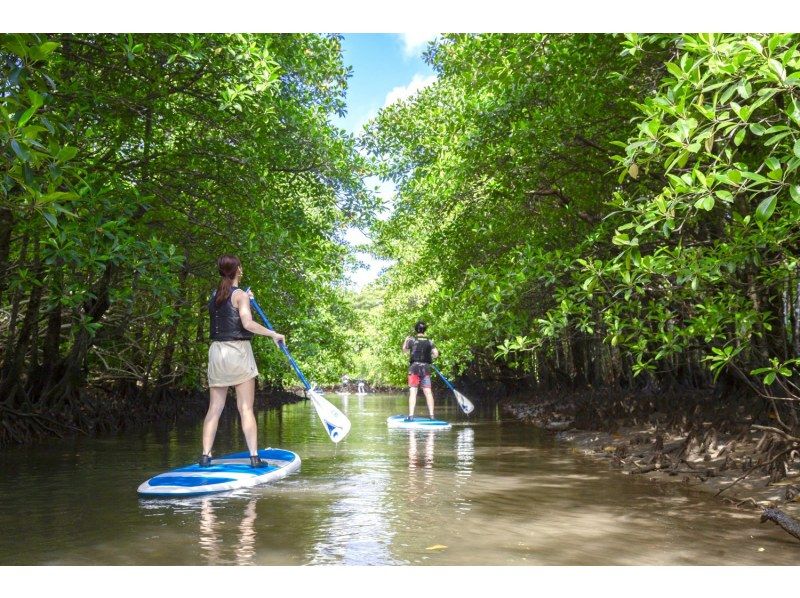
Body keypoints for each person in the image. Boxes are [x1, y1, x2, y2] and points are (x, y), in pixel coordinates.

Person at [201, 254, 285, 468]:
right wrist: (273, 333)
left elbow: (230, 303)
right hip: (238, 352)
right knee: (245, 408)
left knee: (214, 408)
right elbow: (247, 324)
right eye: (240, 266)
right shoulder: (240, 296)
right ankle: (255, 458)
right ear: (238, 269)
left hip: (216, 353)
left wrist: (245, 296)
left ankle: (205, 456)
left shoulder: (214, 295)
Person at [402, 320, 439, 421]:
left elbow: (404, 350)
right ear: (425, 330)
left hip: (414, 368)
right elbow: (436, 354)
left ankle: (411, 416)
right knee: (428, 391)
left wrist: (405, 340)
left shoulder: (411, 340)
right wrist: (429, 354)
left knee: (413, 391)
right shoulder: (430, 341)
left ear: (416, 329)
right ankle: (432, 416)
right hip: (425, 368)